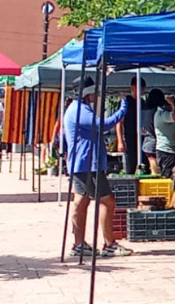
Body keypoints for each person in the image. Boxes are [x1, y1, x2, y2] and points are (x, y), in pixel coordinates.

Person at [61, 82, 135, 258]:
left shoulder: (75, 108)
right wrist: (123, 107)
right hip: (88, 163)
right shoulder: (80, 110)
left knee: (82, 201)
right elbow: (104, 124)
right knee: (107, 201)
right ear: (86, 93)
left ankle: (79, 244)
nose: (97, 95)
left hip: (82, 162)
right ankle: (109, 244)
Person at [153, 93, 175, 178]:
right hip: (166, 151)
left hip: (170, 150)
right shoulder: (162, 114)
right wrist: (174, 104)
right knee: (168, 177)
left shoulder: (163, 114)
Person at [116, 78, 140, 175]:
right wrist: (120, 141)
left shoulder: (141, 102)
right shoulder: (126, 102)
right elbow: (119, 122)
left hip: (139, 138)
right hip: (128, 138)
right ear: (133, 88)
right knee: (129, 165)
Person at [140, 87, 164, 175]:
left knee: (151, 164)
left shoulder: (143, 111)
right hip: (154, 140)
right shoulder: (156, 112)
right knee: (155, 166)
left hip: (146, 141)